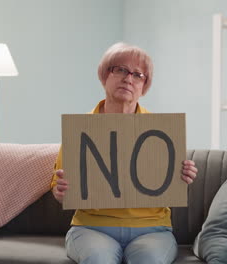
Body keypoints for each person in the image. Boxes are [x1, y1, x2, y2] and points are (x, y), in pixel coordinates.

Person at [50, 42, 198, 264]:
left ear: (144, 85)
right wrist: (60, 191)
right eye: (120, 70)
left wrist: (183, 175)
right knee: (98, 259)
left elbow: (169, 181)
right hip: (91, 229)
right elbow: (58, 187)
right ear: (104, 75)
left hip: (152, 230)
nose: (129, 78)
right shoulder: (80, 129)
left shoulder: (161, 130)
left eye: (138, 75)